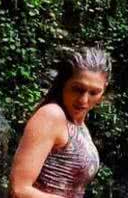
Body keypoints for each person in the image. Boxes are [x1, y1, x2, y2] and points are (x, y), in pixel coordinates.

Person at [9, 47, 111, 198]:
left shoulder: (79, 125)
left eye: (94, 92)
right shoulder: (51, 115)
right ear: (63, 83)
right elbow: (19, 189)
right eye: (77, 89)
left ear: (104, 90)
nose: (83, 100)